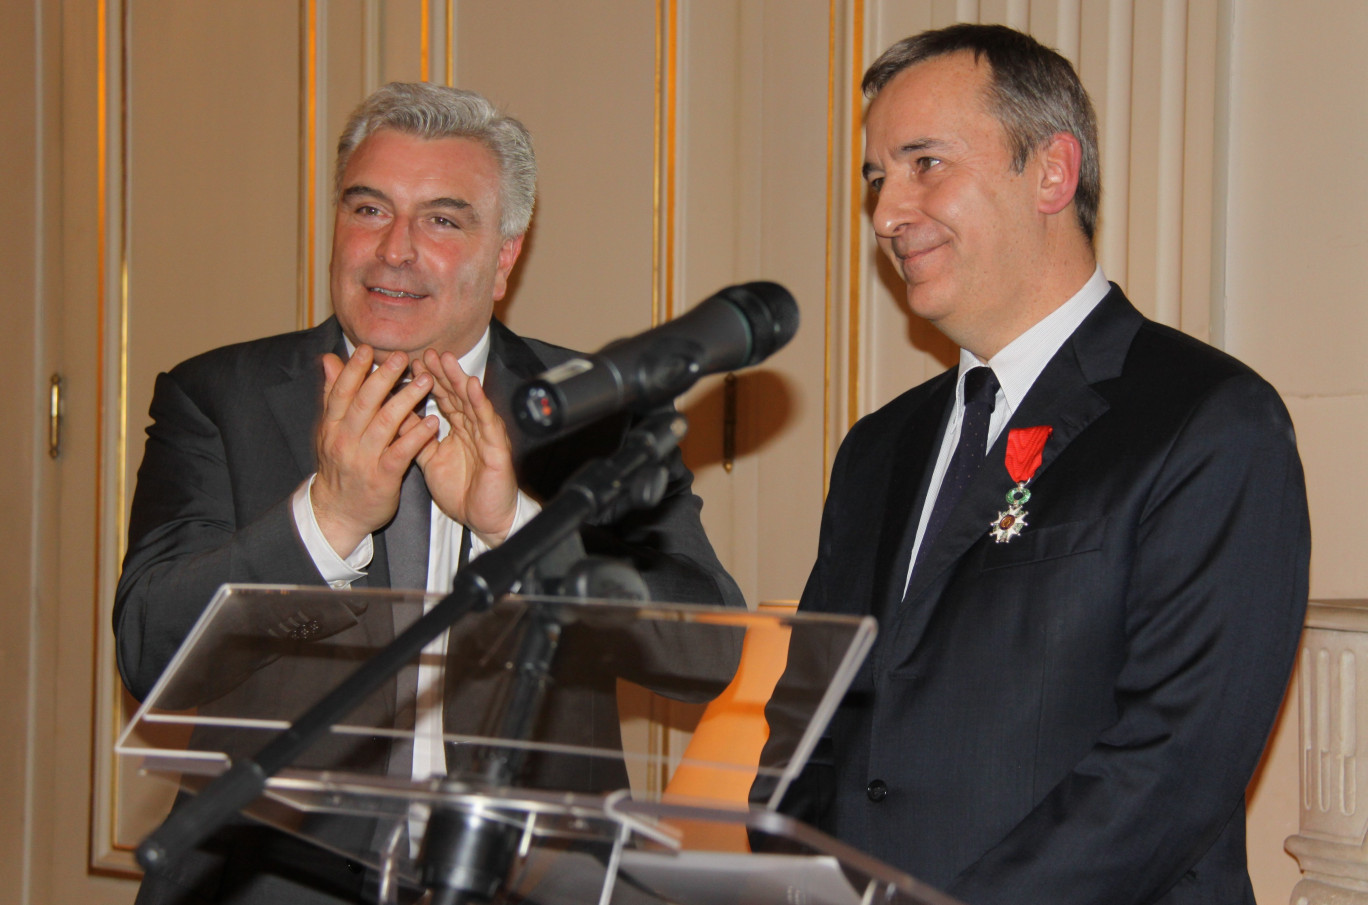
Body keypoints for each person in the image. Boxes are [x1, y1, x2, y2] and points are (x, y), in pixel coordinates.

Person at [115, 82, 744, 905]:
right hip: (271, 881)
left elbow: (709, 652)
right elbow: (149, 651)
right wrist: (328, 518)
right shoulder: (220, 397)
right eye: (369, 210)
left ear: (505, 255)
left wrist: (511, 524)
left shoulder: (597, 411)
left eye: (442, 220)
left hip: (528, 880)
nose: (395, 251)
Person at [756, 23, 1309, 905]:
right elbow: (809, 722)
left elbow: (1174, 764)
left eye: (923, 163)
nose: (887, 212)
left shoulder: (1208, 420)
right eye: (876, 179)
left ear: (1052, 171)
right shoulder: (877, 447)